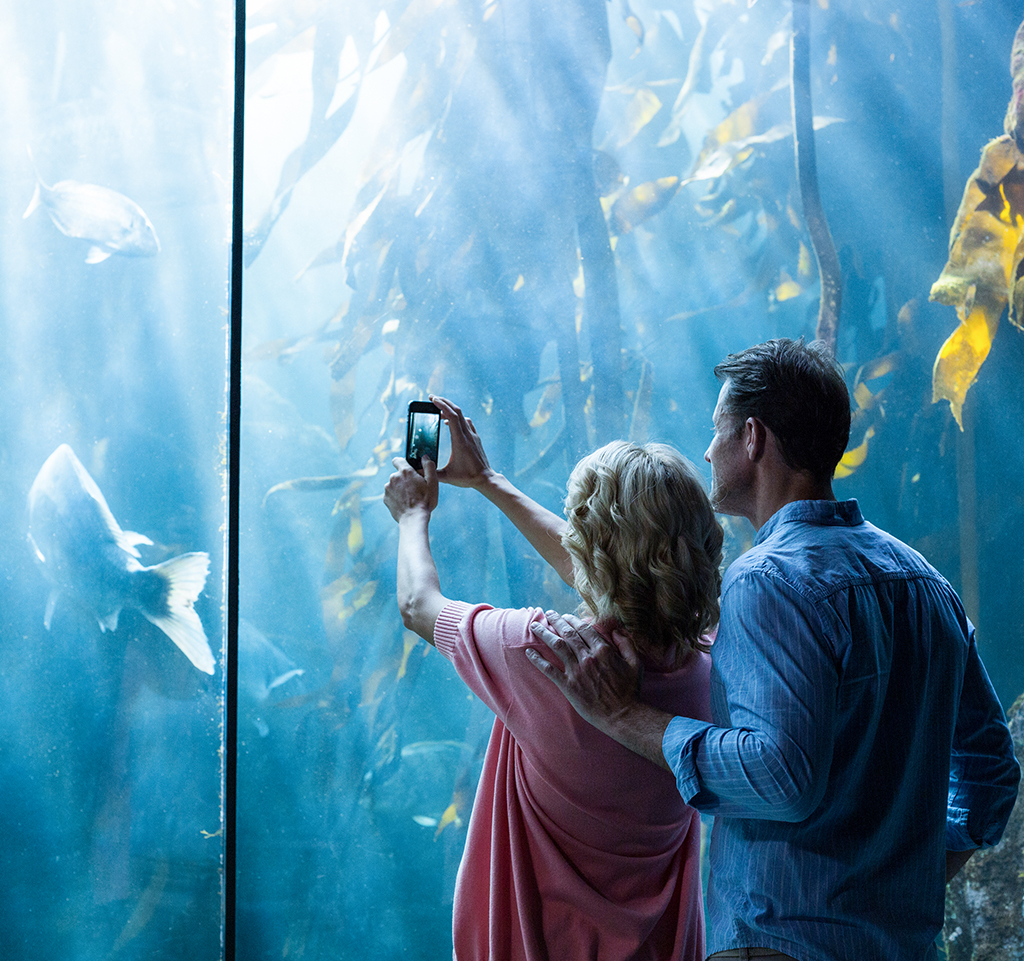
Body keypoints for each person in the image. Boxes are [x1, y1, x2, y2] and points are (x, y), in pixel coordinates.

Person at [527, 338, 1020, 961]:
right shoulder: (926, 584)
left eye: (717, 430)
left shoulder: (767, 580)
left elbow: (781, 776)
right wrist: (903, 881)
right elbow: (991, 773)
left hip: (783, 945)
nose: (707, 450)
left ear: (753, 437)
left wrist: (625, 716)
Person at [383, 395, 723, 961]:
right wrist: (489, 481)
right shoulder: (711, 669)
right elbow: (614, 578)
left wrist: (413, 516)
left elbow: (418, 605)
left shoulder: (543, 657)